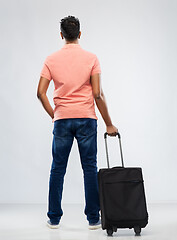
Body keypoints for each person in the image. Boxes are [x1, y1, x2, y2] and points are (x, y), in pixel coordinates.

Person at [37, 15, 118, 230]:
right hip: (86, 119)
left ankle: (54, 219)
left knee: (57, 169)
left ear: (61, 35)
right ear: (80, 34)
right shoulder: (92, 59)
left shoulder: (50, 59)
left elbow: (40, 93)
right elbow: (98, 94)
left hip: (62, 120)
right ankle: (93, 218)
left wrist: (54, 115)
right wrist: (109, 124)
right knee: (89, 168)